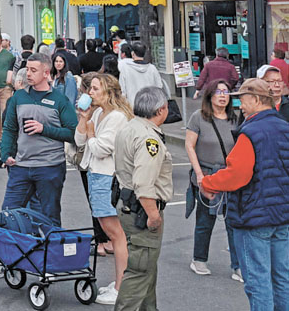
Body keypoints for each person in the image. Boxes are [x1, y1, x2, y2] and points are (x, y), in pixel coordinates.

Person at [200, 77, 289, 311]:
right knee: (282, 279)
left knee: (258, 283)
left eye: (243, 99)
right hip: (282, 215)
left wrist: (207, 183)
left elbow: (237, 175)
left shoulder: (251, 131)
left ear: (257, 100)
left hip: (253, 216)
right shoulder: (284, 127)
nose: (240, 104)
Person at [0, 53, 78, 229]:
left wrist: (44, 129)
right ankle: (18, 254)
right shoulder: (18, 98)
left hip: (50, 167)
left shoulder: (59, 100)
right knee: (8, 214)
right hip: (21, 166)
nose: (28, 74)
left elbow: (73, 133)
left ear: (46, 73)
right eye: (27, 70)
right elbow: (10, 129)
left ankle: (51, 253)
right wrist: (6, 154)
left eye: (34, 70)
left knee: (49, 216)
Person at [73, 72, 132, 306]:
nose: (90, 93)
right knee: (112, 232)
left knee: (116, 234)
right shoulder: (98, 113)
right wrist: (83, 119)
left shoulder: (117, 117)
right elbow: (80, 141)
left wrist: (91, 135)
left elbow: (99, 148)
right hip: (97, 175)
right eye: (90, 89)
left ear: (109, 92)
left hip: (107, 177)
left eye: (96, 89)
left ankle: (121, 287)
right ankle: (120, 283)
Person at [113, 86, 173, 311]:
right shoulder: (150, 139)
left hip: (128, 206)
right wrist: (154, 216)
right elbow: (144, 185)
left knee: (146, 269)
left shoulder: (130, 128)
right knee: (139, 273)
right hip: (141, 211)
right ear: (160, 110)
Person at [185, 78, 242, 281]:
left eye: (226, 92)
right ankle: (199, 259)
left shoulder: (235, 119)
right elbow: (190, 146)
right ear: (209, 95)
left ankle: (238, 265)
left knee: (233, 221)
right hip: (208, 175)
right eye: (218, 92)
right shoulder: (198, 117)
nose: (223, 95)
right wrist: (199, 174)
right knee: (205, 220)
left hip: (229, 176)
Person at [117, 42, 166, 107]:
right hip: (150, 106)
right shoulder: (152, 68)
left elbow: (122, 90)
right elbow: (159, 86)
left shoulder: (125, 69)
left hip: (132, 106)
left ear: (133, 53)